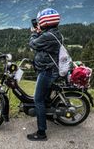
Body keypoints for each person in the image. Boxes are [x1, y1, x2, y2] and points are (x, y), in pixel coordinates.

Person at [27, 8, 63, 141]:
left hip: (47, 71)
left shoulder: (48, 36)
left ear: (45, 22)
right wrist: (40, 31)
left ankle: (41, 133)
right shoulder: (54, 33)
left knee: (38, 100)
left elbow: (33, 44)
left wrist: (34, 33)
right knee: (44, 97)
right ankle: (48, 115)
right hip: (50, 69)